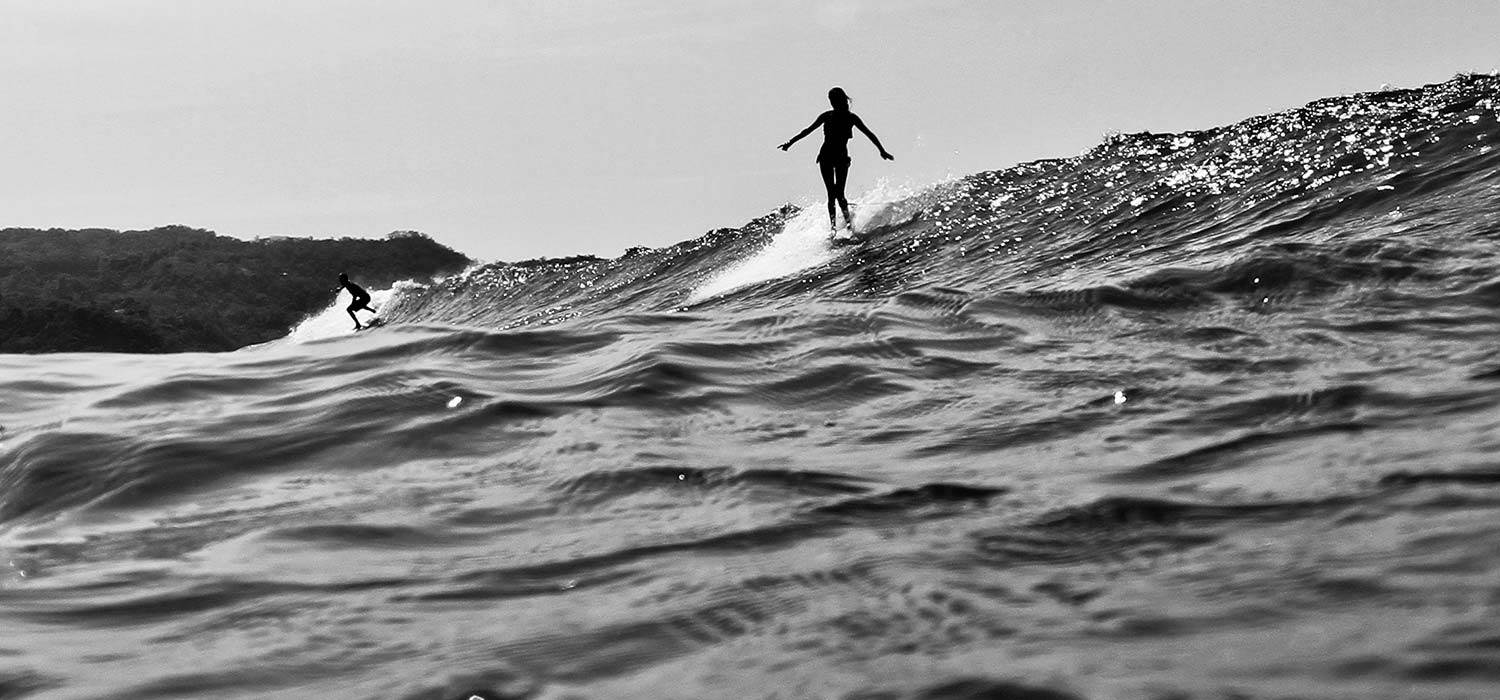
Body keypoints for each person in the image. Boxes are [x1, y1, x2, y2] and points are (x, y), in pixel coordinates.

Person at [779, 87, 894, 232]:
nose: (833, 103)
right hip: (826, 157)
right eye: (831, 101)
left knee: (840, 194)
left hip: (841, 158)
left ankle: (848, 226)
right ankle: (833, 229)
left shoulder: (851, 118)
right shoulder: (826, 116)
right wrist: (790, 143)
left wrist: (881, 150)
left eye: (835, 100)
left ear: (841, 100)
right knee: (831, 195)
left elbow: (869, 134)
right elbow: (807, 130)